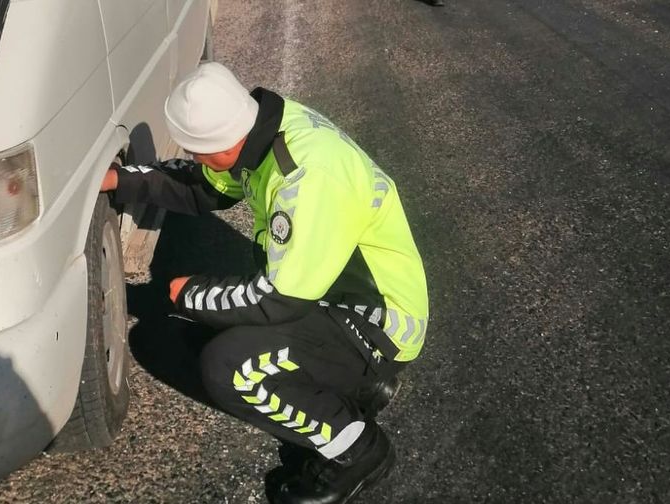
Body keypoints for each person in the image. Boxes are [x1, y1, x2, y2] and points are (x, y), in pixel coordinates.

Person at [101, 62, 428, 504]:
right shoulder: (258, 130)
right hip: (329, 297)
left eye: (198, 149)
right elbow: (202, 186)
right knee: (186, 336)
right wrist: (122, 180)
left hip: (378, 322)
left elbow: (279, 299)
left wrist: (192, 292)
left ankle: (357, 449)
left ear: (221, 141)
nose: (195, 158)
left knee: (230, 367)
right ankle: (356, 386)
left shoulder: (308, 177)